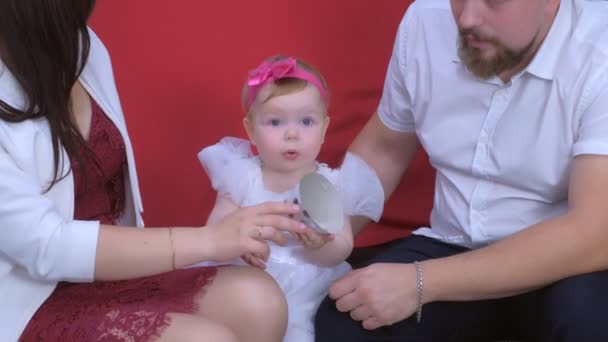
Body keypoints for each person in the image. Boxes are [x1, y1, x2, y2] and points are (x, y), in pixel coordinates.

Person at [0, 1, 312, 341]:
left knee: (260, 301)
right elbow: (47, 245)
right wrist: (210, 240)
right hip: (27, 300)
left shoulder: (80, 45)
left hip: (107, 272)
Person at [315, 0, 608, 341]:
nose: (467, 18)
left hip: (566, 261)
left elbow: (594, 234)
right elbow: (386, 147)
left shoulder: (598, 48)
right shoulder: (427, 19)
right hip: (453, 242)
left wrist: (422, 282)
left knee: (591, 325)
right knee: (345, 323)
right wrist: (323, 229)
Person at [197, 55, 384, 341]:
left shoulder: (329, 184)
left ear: (324, 128)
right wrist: (236, 243)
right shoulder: (244, 176)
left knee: (298, 327)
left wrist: (323, 244)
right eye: (275, 122)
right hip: (248, 275)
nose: (292, 134)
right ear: (250, 130)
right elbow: (217, 228)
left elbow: (344, 246)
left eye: (307, 121)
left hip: (308, 282)